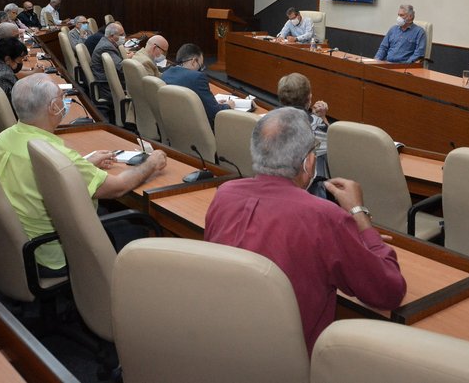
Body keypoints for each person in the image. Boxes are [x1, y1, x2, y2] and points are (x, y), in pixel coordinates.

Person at [204, 107, 406, 354]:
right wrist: (358, 214)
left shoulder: (224, 195)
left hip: (224, 349)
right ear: (308, 162)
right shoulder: (322, 216)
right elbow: (389, 291)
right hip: (292, 364)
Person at [0, 74, 167, 275]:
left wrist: (83, 164)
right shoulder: (58, 155)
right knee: (136, 226)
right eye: (61, 96)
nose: (65, 101)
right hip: (51, 251)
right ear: (53, 106)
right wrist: (151, 164)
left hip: (14, 242)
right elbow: (117, 188)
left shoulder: (5, 137)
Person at [161, 43, 234, 128]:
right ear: (193, 61)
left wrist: (214, 103)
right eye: (200, 66)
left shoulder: (165, 74)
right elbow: (215, 112)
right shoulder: (197, 77)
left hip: (173, 126)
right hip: (199, 130)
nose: (200, 70)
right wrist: (228, 105)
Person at [277, 72, 328, 156]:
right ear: (309, 98)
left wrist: (314, 117)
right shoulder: (317, 127)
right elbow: (332, 145)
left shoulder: (267, 119)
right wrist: (322, 118)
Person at [91, 22, 128, 106]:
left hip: (107, 84)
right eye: (121, 35)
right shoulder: (106, 47)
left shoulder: (106, 42)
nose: (124, 37)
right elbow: (122, 68)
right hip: (107, 88)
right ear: (111, 36)